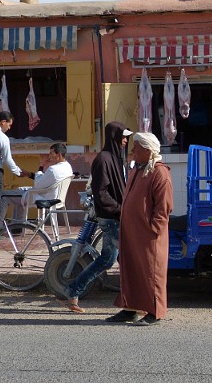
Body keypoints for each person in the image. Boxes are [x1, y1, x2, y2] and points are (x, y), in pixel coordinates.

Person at [61, 122, 132, 313]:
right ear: (114, 136)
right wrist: (119, 209)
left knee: (108, 260)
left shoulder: (116, 157)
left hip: (115, 216)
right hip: (111, 217)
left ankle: (73, 290)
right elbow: (101, 192)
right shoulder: (103, 160)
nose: (125, 140)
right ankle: (133, 300)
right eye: (123, 136)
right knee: (128, 259)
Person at [106, 132, 173, 326]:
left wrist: (153, 230)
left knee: (152, 273)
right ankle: (130, 309)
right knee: (131, 270)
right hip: (132, 232)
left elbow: (163, 207)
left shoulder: (159, 172)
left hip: (149, 234)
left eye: (137, 147)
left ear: (148, 150)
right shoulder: (137, 169)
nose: (132, 150)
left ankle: (155, 312)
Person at [3, 143, 74, 222]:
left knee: (4, 195)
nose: (49, 156)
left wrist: (42, 166)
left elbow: (38, 184)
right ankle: (17, 225)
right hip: (55, 197)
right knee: (19, 189)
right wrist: (29, 174)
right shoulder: (68, 167)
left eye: (51, 153)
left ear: (59, 155)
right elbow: (44, 180)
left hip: (43, 198)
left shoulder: (53, 169)